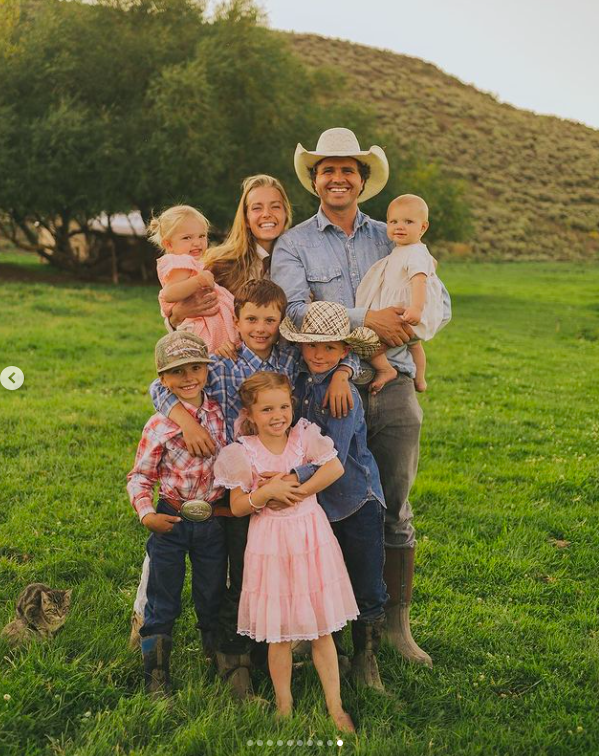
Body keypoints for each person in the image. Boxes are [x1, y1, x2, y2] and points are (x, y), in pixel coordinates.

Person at [272, 127, 452, 667]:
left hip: (391, 383)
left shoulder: (394, 234)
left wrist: (415, 327)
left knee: (394, 507)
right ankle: (321, 625)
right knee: (325, 504)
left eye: (347, 168)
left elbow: (433, 294)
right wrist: (364, 320)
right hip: (328, 393)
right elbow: (291, 312)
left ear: (363, 178)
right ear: (314, 180)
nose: (337, 177)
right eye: (327, 169)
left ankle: (395, 627)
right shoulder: (295, 243)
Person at [133, 280, 358, 699]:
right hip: (234, 484)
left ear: (280, 323)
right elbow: (159, 385)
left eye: (269, 320)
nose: (260, 327)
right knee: (241, 574)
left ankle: (310, 648)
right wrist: (187, 422)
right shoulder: (218, 364)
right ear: (235, 321)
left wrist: (345, 371)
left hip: (283, 478)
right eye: (251, 319)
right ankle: (234, 659)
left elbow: (339, 356)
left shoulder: (292, 357)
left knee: (291, 573)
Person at [214, 372, 357, 732]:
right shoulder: (242, 452)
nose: (277, 415)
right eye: (266, 409)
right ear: (251, 413)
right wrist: (264, 494)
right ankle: (284, 703)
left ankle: (335, 706)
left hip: (310, 535)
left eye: (283, 406)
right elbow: (238, 506)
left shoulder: (302, 436)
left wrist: (299, 490)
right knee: (279, 632)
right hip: (271, 544)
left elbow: (335, 467)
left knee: (321, 628)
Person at [280, 300, 389, 691]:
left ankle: (366, 658)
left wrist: (289, 478)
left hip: (354, 499)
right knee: (327, 578)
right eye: (311, 346)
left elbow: (334, 457)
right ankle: (335, 653)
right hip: (320, 505)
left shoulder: (345, 396)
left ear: (345, 350)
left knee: (365, 581)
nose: (318, 354)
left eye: (329, 347)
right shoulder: (300, 383)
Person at [126, 332, 228, 697]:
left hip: (213, 521)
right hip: (171, 518)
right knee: (163, 593)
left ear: (207, 370)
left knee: (212, 591)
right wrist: (147, 514)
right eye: (177, 372)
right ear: (162, 378)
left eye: (196, 368)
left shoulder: (220, 415)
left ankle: (216, 658)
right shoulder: (159, 426)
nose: (188, 378)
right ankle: (156, 672)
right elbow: (140, 476)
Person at [166, 175, 292, 331]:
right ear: (246, 217)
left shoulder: (300, 261)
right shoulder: (220, 264)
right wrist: (176, 316)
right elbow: (184, 316)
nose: (266, 213)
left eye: (275, 206)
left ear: (286, 213)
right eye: (257, 208)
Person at [356, 194, 445, 394]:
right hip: (402, 313)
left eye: (408, 222)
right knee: (415, 347)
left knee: (369, 346)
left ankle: (386, 370)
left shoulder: (416, 253)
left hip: (405, 313)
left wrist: (416, 308)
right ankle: (420, 379)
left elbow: (419, 280)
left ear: (423, 227)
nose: (399, 226)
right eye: (393, 221)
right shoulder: (401, 250)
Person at [148, 205, 238, 352]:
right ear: (168, 244)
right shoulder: (177, 262)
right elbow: (169, 294)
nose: (197, 242)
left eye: (202, 236)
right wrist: (199, 281)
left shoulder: (193, 262)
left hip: (204, 320)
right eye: (187, 238)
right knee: (206, 351)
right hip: (196, 325)